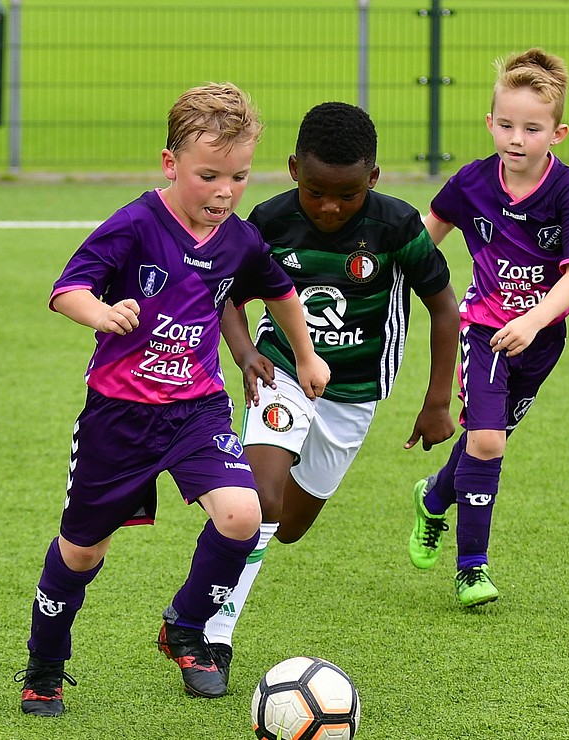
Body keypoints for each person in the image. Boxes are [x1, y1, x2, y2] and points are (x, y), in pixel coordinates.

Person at [14, 82, 330, 717]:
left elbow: (280, 292)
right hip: (119, 416)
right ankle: (45, 664)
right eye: (209, 176)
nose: (225, 192)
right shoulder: (135, 224)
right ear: (170, 163)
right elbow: (67, 289)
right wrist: (102, 314)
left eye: (239, 177)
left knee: (242, 515)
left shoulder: (239, 239)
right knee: (83, 551)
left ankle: (186, 627)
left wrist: (305, 354)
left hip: (197, 410)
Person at [200, 102, 459, 670]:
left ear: (374, 178)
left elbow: (445, 309)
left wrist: (437, 400)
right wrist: (245, 354)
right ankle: (209, 634)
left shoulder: (396, 226)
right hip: (281, 372)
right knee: (261, 503)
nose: (330, 207)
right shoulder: (268, 222)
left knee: (288, 527)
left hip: (354, 393)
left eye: (348, 194)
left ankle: (222, 567)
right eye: (316, 191)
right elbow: (228, 297)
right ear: (294, 170)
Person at [408, 49, 569, 608]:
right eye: (506, 125)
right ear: (490, 122)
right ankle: (472, 569)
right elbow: (429, 232)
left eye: (532, 129)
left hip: (542, 341)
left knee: (481, 442)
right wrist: (385, 277)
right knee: (488, 442)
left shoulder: (568, 192)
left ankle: (434, 498)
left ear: (557, 134)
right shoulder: (471, 182)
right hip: (485, 331)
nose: (516, 139)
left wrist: (535, 322)